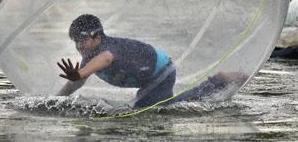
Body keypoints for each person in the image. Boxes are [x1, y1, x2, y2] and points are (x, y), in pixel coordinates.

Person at [57, 14, 247, 108]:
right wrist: (56, 99)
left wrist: (80, 73)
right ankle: (217, 82)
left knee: (154, 109)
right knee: (154, 105)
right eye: (76, 41)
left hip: (161, 72)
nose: (79, 46)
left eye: (83, 40)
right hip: (149, 77)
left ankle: (218, 81)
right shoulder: (88, 58)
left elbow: (106, 59)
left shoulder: (107, 49)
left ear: (97, 36)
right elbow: (77, 82)